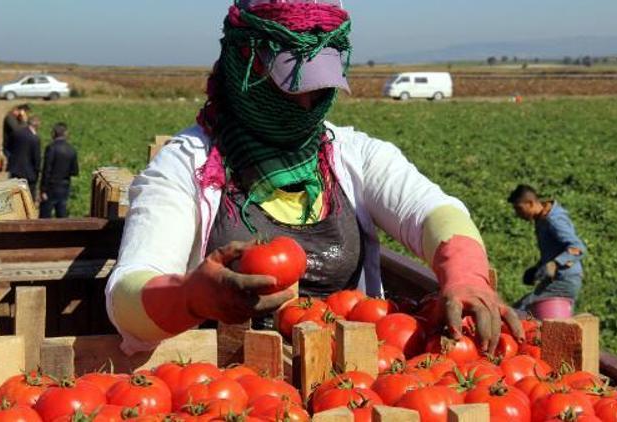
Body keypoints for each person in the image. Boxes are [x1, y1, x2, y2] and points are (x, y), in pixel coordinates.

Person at [105, 0, 524, 356]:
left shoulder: (354, 155)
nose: (305, 104)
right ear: (243, 64)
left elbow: (434, 211)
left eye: (319, 87)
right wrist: (189, 298)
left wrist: (466, 274)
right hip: (235, 395)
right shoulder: (187, 167)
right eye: (287, 87)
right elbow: (128, 292)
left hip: (356, 387)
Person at [508, 184, 587, 319]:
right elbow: (554, 250)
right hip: (555, 280)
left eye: (519, 208)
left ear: (530, 203)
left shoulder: (553, 220)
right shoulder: (542, 219)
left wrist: (555, 263)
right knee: (527, 311)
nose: (517, 214)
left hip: (564, 280)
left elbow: (578, 247)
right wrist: (537, 268)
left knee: (521, 312)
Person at [39, 123, 79, 218]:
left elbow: (46, 170)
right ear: (65, 134)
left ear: (54, 133)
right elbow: (74, 171)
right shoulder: (71, 150)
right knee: (62, 214)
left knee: (45, 215)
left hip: (51, 187)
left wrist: (43, 189)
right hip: (64, 186)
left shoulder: (51, 148)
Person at [6, 116, 41, 199]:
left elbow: (8, 147)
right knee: (28, 197)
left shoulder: (16, 133)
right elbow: (36, 158)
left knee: (14, 196)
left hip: (15, 170)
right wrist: (37, 171)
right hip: (29, 174)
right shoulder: (34, 139)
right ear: (36, 126)